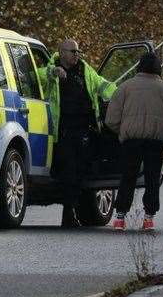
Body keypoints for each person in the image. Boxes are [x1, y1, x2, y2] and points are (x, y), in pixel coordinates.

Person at [105, 52, 163, 231]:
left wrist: (123, 131)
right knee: (152, 178)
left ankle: (120, 218)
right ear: (158, 68)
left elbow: (111, 119)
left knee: (128, 177)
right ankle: (148, 218)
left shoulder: (124, 88)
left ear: (139, 67)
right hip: (156, 141)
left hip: (131, 141)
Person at [41, 38, 117, 227]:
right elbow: (37, 77)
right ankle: (68, 213)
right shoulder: (52, 68)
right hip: (63, 131)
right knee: (69, 171)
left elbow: (103, 85)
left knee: (85, 170)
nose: (77, 55)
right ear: (62, 52)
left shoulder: (85, 69)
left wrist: (122, 95)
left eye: (78, 51)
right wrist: (53, 73)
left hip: (85, 129)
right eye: (73, 51)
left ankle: (78, 209)